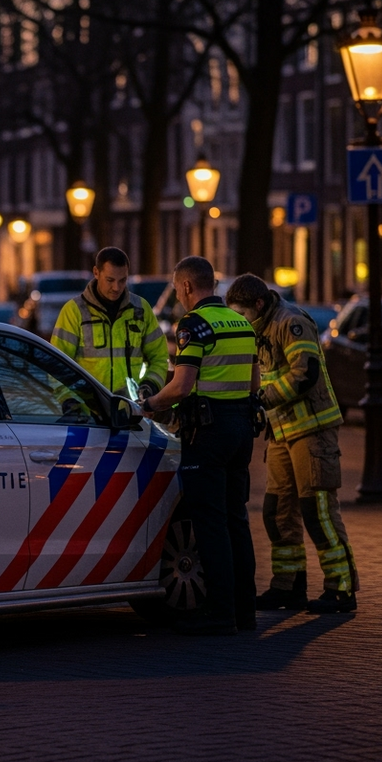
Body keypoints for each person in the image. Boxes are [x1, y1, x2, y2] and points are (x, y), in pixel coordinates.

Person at [139, 256, 258, 635]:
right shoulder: (242, 323)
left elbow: (182, 385)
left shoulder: (194, 324)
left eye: (177, 288)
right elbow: (255, 384)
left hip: (207, 434)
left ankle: (220, 612)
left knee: (211, 523)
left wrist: (150, 406)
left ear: (188, 286)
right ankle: (245, 611)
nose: (177, 295)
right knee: (237, 519)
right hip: (241, 430)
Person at [225, 273, 358, 614]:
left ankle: (341, 588)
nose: (240, 322)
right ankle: (288, 586)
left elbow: (305, 373)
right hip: (281, 432)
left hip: (312, 429)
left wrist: (261, 400)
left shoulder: (291, 322)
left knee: (318, 511)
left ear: (258, 304)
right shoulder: (258, 327)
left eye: (242, 314)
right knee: (277, 511)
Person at [51, 246, 169, 401]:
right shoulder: (74, 311)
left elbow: (159, 358)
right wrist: (69, 401)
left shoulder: (141, 310)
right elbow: (56, 364)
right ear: (96, 273)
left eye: (123, 280)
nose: (117, 287)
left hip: (129, 410)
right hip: (87, 412)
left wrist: (150, 385)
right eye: (110, 280)